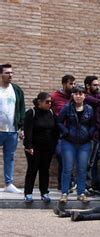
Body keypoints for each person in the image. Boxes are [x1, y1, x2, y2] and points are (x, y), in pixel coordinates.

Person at [57, 85, 96, 203]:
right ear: (72, 95)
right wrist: (66, 132)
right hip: (68, 142)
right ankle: (64, 193)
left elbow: (94, 124)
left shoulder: (89, 109)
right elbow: (58, 122)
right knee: (67, 168)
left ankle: (81, 193)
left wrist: (89, 134)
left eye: (81, 94)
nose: (78, 96)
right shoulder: (67, 108)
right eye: (76, 94)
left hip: (84, 144)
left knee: (82, 169)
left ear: (85, 96)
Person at [23, 92, 59, 202]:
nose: (49, 104)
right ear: (39, 102)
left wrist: (54, 144)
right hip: (34, 147)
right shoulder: (31, 112)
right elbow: (27, 130)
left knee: (44, 170)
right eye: (47, 102)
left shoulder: (51, 112)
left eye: (51, 102)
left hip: (48, 148)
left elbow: (55, 130)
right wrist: (28, 146)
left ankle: (44, 193)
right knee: (32, 169)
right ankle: (28, 193)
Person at [0, 63, 25, 194]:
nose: (10, 75)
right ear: (1, 74)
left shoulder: (16, 90)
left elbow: (21, 109)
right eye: (7, 73)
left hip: (12, 130)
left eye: (11, 73)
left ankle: (9, 184)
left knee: (9, 157)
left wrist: (21, 127)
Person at [51, 75, 76, 190]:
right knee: (62, 155)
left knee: (67, 157)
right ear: (64, 84)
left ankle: (62, 184)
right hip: (59, 132)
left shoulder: (74, 97)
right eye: (71, 84)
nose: (73, 86)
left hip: (72, 131)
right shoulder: (54, 96)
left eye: (74, 84)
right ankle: (69, 181)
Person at [84, 75, 100, 194]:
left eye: (98, 85)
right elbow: (98, 101)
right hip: (88, 135)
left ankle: (91, 186)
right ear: (88, 86)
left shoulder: (98, 95)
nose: (97, 87)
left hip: (98, 135)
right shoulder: (86, 97)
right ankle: (84, 186)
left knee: (92, 162)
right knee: (86, 162)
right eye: (95, 85)